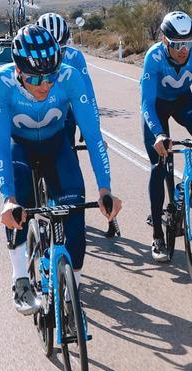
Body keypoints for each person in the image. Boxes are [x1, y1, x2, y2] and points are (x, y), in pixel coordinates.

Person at [0, 25, 122, 312]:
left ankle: (72, 287)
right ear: (18, 70)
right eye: (35, 77)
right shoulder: (0, 84)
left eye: (50, 75)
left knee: (75, 213)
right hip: (20, 148)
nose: (45, 84)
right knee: (17, 206)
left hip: (57, 145)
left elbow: (94, 135)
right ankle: (21, 278)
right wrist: (8, 197)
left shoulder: (69, 78)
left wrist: (105, 188)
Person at [141, 10, 192, 262]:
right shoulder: (153, 57)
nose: (183, 50)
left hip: (182, 101)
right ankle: (157, 235)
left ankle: (184, 187)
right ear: (165, 41)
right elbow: (146, 102)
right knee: (158, 166)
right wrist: (158, 133)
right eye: (177, 44)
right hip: (156, 107)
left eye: (188, 42)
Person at [37, 12, 119, 238]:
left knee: (68, 157)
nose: (56, 55)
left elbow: (88, 96)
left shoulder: (74, 58)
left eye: (61, 49)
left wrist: (91, 128)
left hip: (66, 114)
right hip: (38, 115)